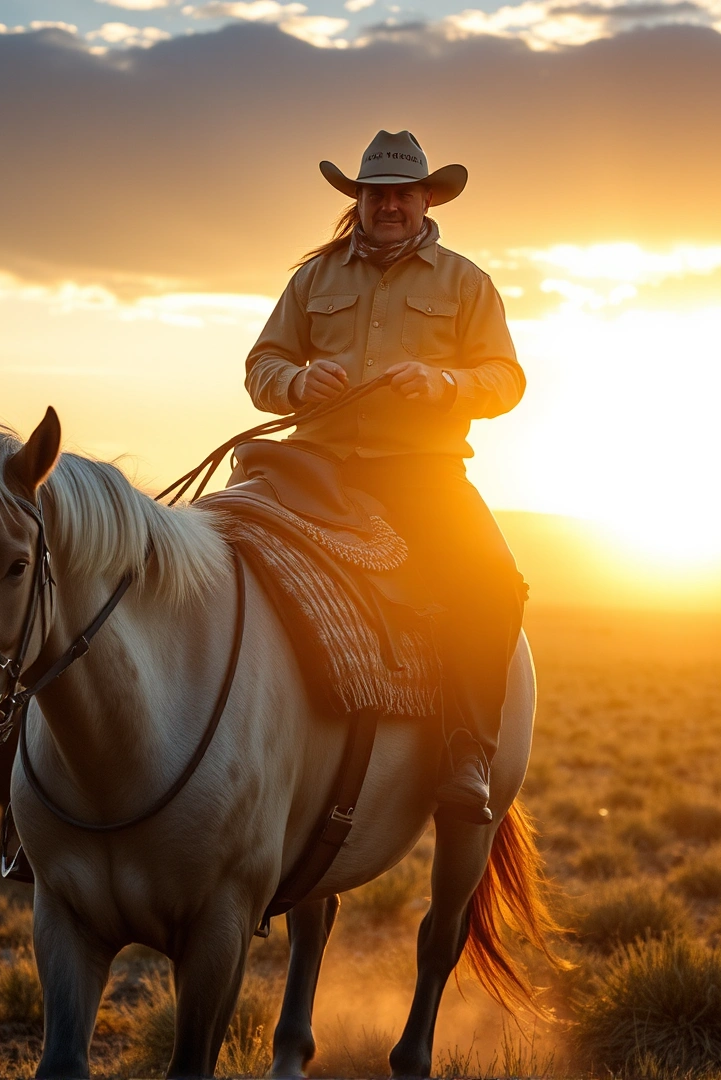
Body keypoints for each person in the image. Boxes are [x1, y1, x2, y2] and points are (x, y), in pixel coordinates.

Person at [245, 130, 526, 825]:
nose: (390, 205)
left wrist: (444, 385)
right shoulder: (314, 279)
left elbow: (506, 380)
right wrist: (300, 381)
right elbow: (261, 368)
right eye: (377, 194)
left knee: (491, 582)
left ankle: (466, 751)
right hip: (313, 465)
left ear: (427, 198)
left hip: (420, 472)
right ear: (359, 200)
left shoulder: (465, 282)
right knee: (210, 547)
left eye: (403, 193)